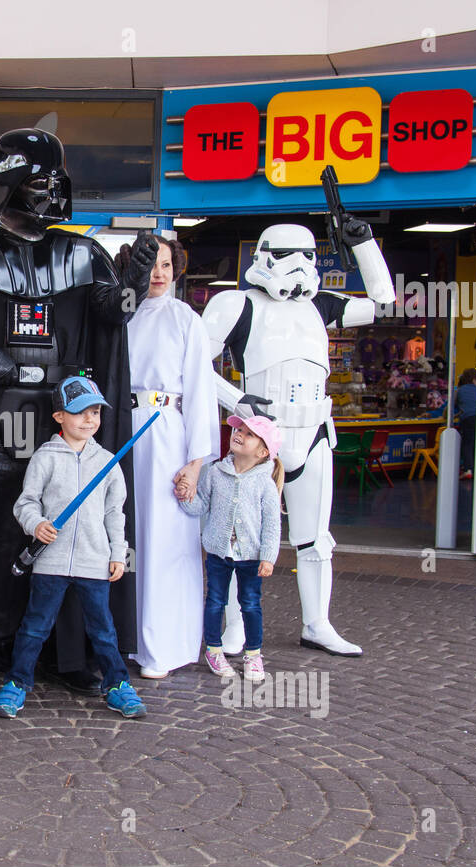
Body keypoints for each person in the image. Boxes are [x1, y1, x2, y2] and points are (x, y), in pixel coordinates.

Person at [0, 129, 155, 690]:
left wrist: (134, 284)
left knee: (70, 526)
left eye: (56, 182)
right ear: (13, 183)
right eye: (41, 182)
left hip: (60, 411)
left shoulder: (83, 253)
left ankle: (65, 654)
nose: (52, 192)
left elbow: (109, 316)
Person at [203, 220, 395, 658]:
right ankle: (235, 625)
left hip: (313, 432)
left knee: (314, 537)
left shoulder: (321, 306)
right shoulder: (236, 304)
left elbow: (384, 305)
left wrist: (364, 243)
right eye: (287, 253)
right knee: (239, 534)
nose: (298, 264)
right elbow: (194, 362)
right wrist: (239, 401)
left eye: (307, 255)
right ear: (264, 254)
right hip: (258, 436)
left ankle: (317, 623)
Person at [0, 376, 146, 720]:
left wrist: (117, 553)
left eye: (95, 412)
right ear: (59, 416)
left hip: (94, 562)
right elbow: (26, 503)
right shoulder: (45, 457)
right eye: (80, 413)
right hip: (51, 561)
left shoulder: (108, 461)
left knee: (103, 630)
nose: (90, 420)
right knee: (35, 627)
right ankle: (16, 683)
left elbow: (115, 513)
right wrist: (36, 524)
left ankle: (118, 685)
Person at [112, 236, 219, 679]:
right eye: (149, 265)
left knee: (165, 541)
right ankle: (123, 638)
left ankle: (164, 646)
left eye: (165, 265)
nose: (158, 274)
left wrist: (195, 463)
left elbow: (200, 391)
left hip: (166, 435)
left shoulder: (185, 320)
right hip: (120, 431)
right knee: (123, 533)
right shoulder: (120, 316)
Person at [182, 415, 283, 683]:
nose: (239, 433)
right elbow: (201, 504)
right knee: (215, 601)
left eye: (249, 434)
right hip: (218, 553)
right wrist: (184, 495)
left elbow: (272, 524)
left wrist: (268, 557)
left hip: (251, 557)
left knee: (250, 604)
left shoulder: (265, 483)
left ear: (263, 452)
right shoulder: (215, 472)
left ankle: (253, 654)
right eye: (239, 429)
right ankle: (214, 650)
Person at [455, 368, 476, 480]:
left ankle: (468, 469)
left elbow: (453, 406)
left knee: (467, 444)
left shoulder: (460, 390)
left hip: (467, 418)